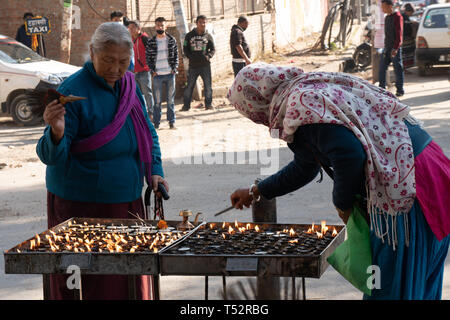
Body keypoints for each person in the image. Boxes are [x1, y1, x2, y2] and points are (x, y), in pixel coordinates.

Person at [228, 63, 450, 300]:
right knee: (419, 284)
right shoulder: (310, 87)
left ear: (256, 101)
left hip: (408, 184)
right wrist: (257, 190)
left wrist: (342, 204)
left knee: (390, 287)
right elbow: (306, 165)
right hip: (430, 169)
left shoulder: (299, 103)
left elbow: (349, 154)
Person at [36, 22, 168, 300]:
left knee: (126, 276)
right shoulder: (72, 92)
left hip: (127, 201)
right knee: (89, 281)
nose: (116, 69)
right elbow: (50, 157)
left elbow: (148, 131)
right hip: (80, 206)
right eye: (108, 60)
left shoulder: (130, 86)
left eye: (123, 62)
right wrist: (57, 132)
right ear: (92, 53)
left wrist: (155, 170)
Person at [146, 17, 179, 130]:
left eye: (162, 25)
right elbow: (148, 58)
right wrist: (152, 71)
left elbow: (176, 55)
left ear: (166, 26)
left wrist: (174, 68)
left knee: (170, 100)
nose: (160, 27)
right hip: (157, 76)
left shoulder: (171, 40)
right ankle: (156, 123)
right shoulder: (151, 42)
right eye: (158, 25)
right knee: (157, 102)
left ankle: (172, 122)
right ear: (155, 27)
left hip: (170, 74)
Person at [181, 15, 215, 111]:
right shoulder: (189, 36)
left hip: (205, 66)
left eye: (204, 22)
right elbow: (185, 48)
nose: (203, 24)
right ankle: (186, 106)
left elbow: (213, 49)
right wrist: (190, 57)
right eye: (201, 22)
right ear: (196, 23)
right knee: (190, 86)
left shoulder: (208, 36)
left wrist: (208, 56)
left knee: (208, 86)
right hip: (193, 66)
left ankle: (208, 105)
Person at [128, 20, 155, 121]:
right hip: (133, 72)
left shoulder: (144, 38)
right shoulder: (129, 40)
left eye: (132, 28)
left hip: (144, 70)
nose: (129, 30)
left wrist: (151, 67)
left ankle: (151, 113)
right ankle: (141, 114)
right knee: (137, 94)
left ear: (138, 28)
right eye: (129, 28)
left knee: (147, 92)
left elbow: (152, 52)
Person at [378, 0, 405, 97]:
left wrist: (396, 48)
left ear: (390, 6)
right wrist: (385, 48)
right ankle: (381, 88)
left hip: (395, 48)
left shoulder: (397, 17)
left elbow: (399, 34)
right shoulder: (387, 18)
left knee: (398, 68)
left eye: (383, 7)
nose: (382, 9)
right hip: (387, 47)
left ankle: (400, 90)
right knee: (382, 68)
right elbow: (387, 35)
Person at [401, 4, 417, 69]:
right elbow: (406, 26)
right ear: (408, 11)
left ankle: (405, 68)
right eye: (411, 12)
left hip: (406, 38)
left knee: (406, 54)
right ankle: (404, 69)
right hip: (405, 39)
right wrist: (412, 23)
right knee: (405, 54)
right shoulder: (403, 16)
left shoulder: (405, 16)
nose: (411, 14)